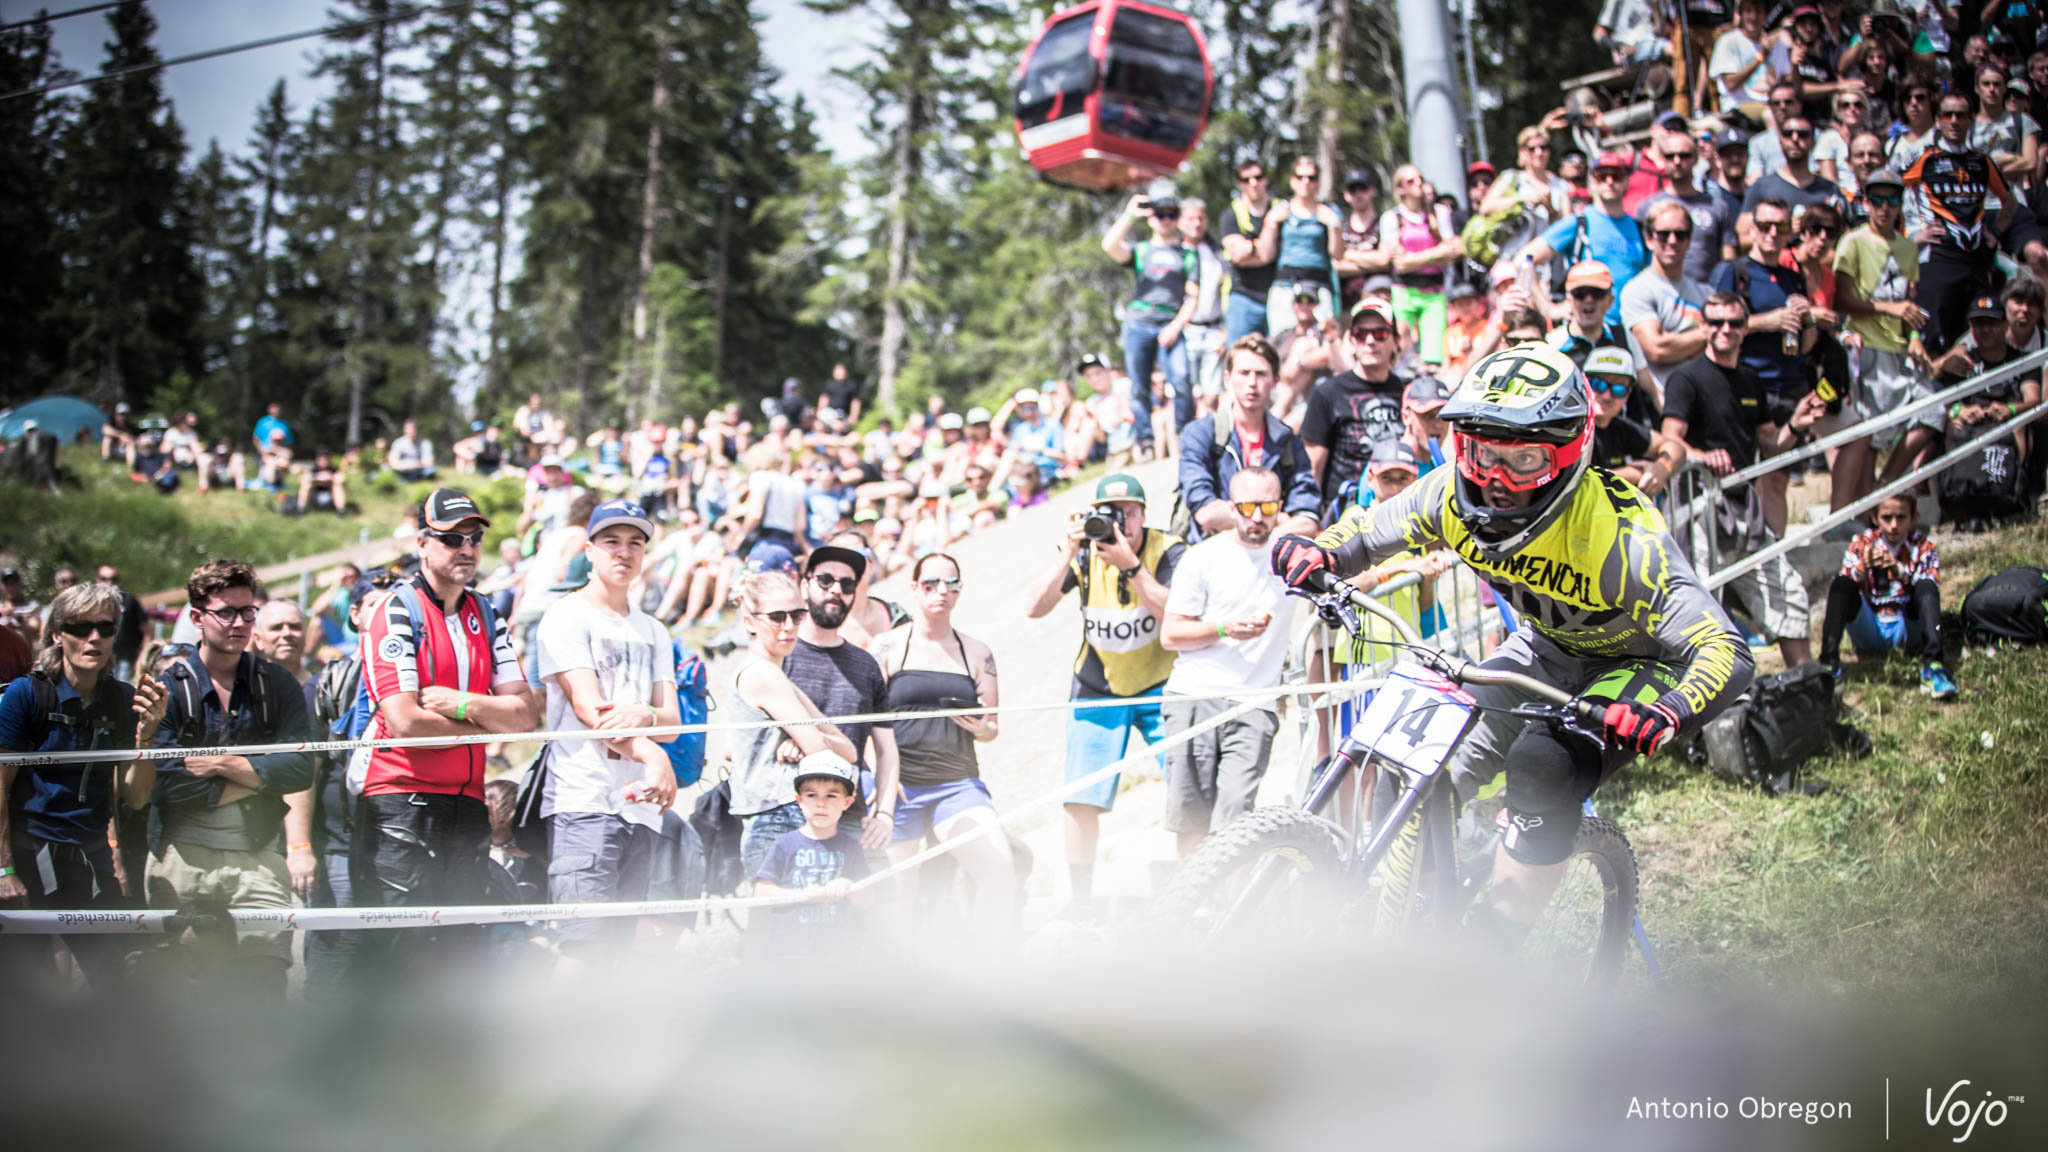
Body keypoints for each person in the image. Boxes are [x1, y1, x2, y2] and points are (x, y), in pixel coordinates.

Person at [1269, 343, 1755, 954]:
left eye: (1523, 458)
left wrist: (1671, 710)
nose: (1495, 479)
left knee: (1541, 767)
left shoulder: (1623, 535)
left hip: (1637, 664)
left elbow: (1727, 650)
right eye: (1481, 452)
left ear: (1567, 453)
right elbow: (1368, 533)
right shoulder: (1447, 492)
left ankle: (1488, 954)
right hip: (1546, 650)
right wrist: (1320, 550)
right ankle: (1419, 928)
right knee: (1409, 765)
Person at [352, 489, 537, 978]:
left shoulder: (485, 611)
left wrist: (462, 704)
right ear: (422, 543)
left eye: (474, 538)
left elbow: (524, 716)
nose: (467, 548)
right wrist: (484, 723)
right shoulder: (395, 610)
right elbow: (407, 723)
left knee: (462, 954)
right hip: (402, 798)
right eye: (451, 538)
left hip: (468, 800)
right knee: (406, 953)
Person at [148, 558, 316, 995]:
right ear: (197, 617)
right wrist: (260, 771)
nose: (239, 623)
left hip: (260, 855)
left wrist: (222, 763)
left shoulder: (278, 684)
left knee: (264, 984)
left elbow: (299, 768)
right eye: (227, 612)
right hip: (182, 856)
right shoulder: (169, 687)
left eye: (247, 612)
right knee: (184, 991)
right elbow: (168, 783)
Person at [1023, 472, 1184, 912]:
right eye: (1110, 513)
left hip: (1162, 684)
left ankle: (1195, 886)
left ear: (1144, 514)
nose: (1120, 522)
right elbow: (1033, 608)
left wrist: (1131, 565)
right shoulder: (1083, 551)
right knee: (1081, 797)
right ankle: (1080, 901)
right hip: (1099, 687)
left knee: (1187, 784)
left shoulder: (1166, 548)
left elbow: (1180, 611)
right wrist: (1069, 551)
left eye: (1129, 512)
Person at [0, 584, 168, 993]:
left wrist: (146, 736)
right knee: (22, 995)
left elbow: (136, 796)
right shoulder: (26, 694)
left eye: (105, 627)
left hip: (91, 859)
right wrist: (3, 869)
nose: (93, 638)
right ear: (57, 633)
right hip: (28, 855)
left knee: (120, 983)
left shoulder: (123, 699)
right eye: (80, 627)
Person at [535, 499, 679, 969]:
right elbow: (590, 709)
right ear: (590, 550)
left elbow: (674, 721)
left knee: (618, 953)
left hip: (640, 809)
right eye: (612, 542)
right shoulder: (565, 616)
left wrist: (645, 714)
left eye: (635, 543)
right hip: (584, 802)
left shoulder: (654, 629)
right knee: (580, 949)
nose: (624, 552)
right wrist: (654, 755)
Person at [1660, 292, 1824, 666]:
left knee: (1788, 592)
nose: (1725, 330)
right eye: (1716, 322)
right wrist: (1703, 457)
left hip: (1742, 507)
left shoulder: (1750, 380)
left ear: (1745, 328)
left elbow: (1770, 443)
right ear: (1704, 327)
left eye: (1734, 323)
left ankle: (1810, 690)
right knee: (1701, 608)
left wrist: (1796, 423)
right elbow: (1669, 439)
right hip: (1697, 506)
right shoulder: (1687, 377)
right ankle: (1701, 706)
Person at [1158, 467, 1298, 858]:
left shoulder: (1291, 556)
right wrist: (1223, 629)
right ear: (1231, 508)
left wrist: (1409, 566)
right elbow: (1171, 635)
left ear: (1280, 507)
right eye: (1248, 506)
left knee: (1237, 818)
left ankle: (1231, 916)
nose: (1257, 517)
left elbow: (1353, 575)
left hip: (1255, 703)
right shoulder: (1203, 557)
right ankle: (1195, 910)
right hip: (1194, 695)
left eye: (1267, 506)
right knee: (1192, 820)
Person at [870, 553, 1013, 932]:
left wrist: (978, 727)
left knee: (1000, 874)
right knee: (896, 901)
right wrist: (881, 781)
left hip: (956, 784)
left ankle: (994, 967)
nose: (942, 592)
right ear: (914, 588)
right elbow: (866, 724)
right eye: (931, 584)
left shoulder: (978, 652)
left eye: (952, 584)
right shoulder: (886, 647)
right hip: (899, 788)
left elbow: (992, 729)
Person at [726, 570, 860, 875]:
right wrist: (808, 740)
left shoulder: (775, 674)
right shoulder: (763, 673)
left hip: (777, 813)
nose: (788, 627)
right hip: (777, 815)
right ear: (750, 622)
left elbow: (847, 750)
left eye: (797, 615)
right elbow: (821, 748)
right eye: (776, 617)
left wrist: (806, 740)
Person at [778, 545, 900, 857]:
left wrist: (885, 814)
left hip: (849, 818)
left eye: (847, 585)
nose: (836, 590)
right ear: (805, 586)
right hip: (784, 816)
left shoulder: (865, 664)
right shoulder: (778, 655)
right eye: (825, 580)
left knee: (879, 904)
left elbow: (886, 750)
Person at [1832, 166, 1930, 512]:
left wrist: (1916, 335)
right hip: (1867, 346)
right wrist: (1892, 309)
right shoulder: (1853, 241)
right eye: (1877, 199)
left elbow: (1911, 301)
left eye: (1892, 199)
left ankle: (1883, 488)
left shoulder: (1907, 246)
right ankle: (1867, 509)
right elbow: (1840, 300)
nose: (1885, 207)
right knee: (1869, 436)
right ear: (1866, 202)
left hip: (1901, 349)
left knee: (1934, 413)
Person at [1177, 334, 1322, 543]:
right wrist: (1274, 518)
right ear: (1228, 379)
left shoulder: (1288, 441)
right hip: (1213, 554)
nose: (1252, 382)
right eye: (1244, 373)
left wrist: (1241, 522)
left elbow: (1307, 520)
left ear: (1275, 380)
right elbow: (1206, 513)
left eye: (1261, 374)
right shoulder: (1200, 433)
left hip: (1269, 562)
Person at [1905, 90, 2015, 353]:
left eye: (1961, 115)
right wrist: (1912, 239)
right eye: (1948, 115)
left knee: (1982, 331)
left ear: (1971, 120)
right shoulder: (1926, 160)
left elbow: (2009, 202)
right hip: (1939, 256)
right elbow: (1895, 197)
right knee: (1934, 333)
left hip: (1977, 257)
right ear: (1939, 121)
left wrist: (1997, 232)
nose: (1954, 120)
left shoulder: (1982, 162)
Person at [1817, 493, 1957, 698]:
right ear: (1875, 518)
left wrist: (1898, 570)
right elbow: (1846, 582)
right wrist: (1862, 568)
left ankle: (1934, 667)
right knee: (1841, 583)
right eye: (1887, 517)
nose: (1894, 526)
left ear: (1914, 518)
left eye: (1901, 518)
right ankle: (1829, 665)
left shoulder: (1924, 544)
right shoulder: (1862, 542)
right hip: (1870, 626)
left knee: (1926, 585)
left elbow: (1930, 586)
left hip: (1907, 626)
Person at [750, 750, 873, 958]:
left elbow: (867, 899)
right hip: (789, 955)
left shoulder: (851, 846)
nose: (821, 803)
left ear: (847, 802)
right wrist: (802, 895)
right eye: (811, 795)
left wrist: (848, 885)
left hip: (837, 955)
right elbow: (762, 893)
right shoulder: (784, 844)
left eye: (831, 795)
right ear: (799, 799)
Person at [1103, 193, 1201, 452]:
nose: (1166, 220)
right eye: (1160, 214)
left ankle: (1186, 436)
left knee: (1181, 380)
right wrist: (1129, 214)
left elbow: (1193, 297)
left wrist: (1175, 327)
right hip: (1139, 322)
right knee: (1139, 385)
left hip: (1171, 322)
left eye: (1171, 214)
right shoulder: (1142, 250)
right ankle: (1145, 439)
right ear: (1152, 218)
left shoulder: (1188, 254)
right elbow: (1110, 246)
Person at [1301, 298, 1412, 522]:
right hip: (1345, 514)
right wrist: (1313, 516)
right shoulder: (1328, 393)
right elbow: (1313, 465)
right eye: (1362, 334)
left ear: (1395, 340)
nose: (1370, 341)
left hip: (1400, 511)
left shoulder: (1407, 391)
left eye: (1380, 333)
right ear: (1351, 340)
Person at [1521, 151, 1647, 325]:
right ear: (1593, 181)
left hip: (1632, 329)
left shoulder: (1638, 228)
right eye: (1602, 176)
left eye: (1616, 176)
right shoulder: (1579, 223)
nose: (1609, 182)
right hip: (1588, 328)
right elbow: (1524, 259)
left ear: (1626, 181)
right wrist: (1549, 308)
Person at [1622, 199, 1713, 397]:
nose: (1672, 241)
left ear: (1689, 241)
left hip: (1704, 399)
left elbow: (1722, 347)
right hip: (1661, 401)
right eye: (1663, 234)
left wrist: (1676, 342)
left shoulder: (1706, 294)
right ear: (1649, 239)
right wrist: (1705, 334)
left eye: (1680, 235)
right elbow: (1658, 349)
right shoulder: (1638, 289)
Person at [1378, 163, 1462, 365]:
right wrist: (1435, 254)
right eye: (1411, 181)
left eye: (1420, 179)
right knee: (1400, 349)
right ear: (1400, 189)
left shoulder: (1439, 213)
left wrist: (1413, 258)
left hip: (1434, 291)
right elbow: (1399, 264)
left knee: (1433, 356)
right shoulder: (1392, 218)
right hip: (1404, 290)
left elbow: (1451, 252)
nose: (1418, 184)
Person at [1255, 155, 1346, 330]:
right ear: (1292, 181)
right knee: (1283, 341)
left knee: (1322, 340)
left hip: (1319, 286)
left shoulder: (1329, 211)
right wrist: (1271, 223)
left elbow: (1338, 254)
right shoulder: (1281, 211)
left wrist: (1335, 226)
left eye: (1311, 178)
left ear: (1318, 181)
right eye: (1300, 177)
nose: (1305, 182)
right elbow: (1265, 255)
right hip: (1285, 286)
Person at [1585, 346, 1687, 498]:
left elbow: (1675, 448)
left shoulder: (1618, 426)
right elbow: (1582, 481)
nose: (1607, 396)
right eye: (1598, 384)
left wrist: (1662, 467)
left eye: (1618, 389)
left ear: (1628, 394)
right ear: (1584, 383)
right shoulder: (1573, 428)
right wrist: (1634, 474)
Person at [1220, 158, 1279, 344]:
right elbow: (1237, 256)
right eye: (1246, 179)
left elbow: (1273, 254)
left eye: (1258, 177)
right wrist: (1265, 247)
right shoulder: (1230, 214)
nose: (1253, 183)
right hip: (1243, 297)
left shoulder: (1279, 209)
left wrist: (1251, 248)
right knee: (1238, 356)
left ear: (1266, 179)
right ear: (1240, 183)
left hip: (1277, 297)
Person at [1711, 0, 1789, 119]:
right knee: (1770, 114)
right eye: (1748, 11)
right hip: (1739, 107)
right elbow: (1731, 84)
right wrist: (1760, 58)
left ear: (1766, 15)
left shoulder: (1777, 45)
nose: (1753, 17)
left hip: (1772, 104)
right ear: (1741, 14)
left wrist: (1794, 62)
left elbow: (1786, 81)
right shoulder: (1728, 41)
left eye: (1758, 12)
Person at [1336, 168, 1392, 311]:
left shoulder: (1383, 223)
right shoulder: (1341, 227)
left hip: (1379, 302)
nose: (1358, 193)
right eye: (1352, 189)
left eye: (1363, 187)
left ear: (1372, 190)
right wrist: (1373, 261)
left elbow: (1385, 260)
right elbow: (1335, 265)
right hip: (1346, 303)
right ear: (1346, 195)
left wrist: (1347, 254)